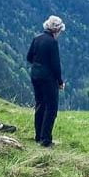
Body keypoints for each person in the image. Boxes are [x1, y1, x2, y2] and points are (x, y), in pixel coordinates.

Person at [27, 15, 65, 147]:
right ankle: (46, 139)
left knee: (40, 104)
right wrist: (60, 81)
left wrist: (38, 65)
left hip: (35, 75)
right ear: (57, 30)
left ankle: (38, 136)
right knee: (51, 108)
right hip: (48, 78)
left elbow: (29, 57)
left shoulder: (37, 38)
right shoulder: (52, 42)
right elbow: (56, 65)